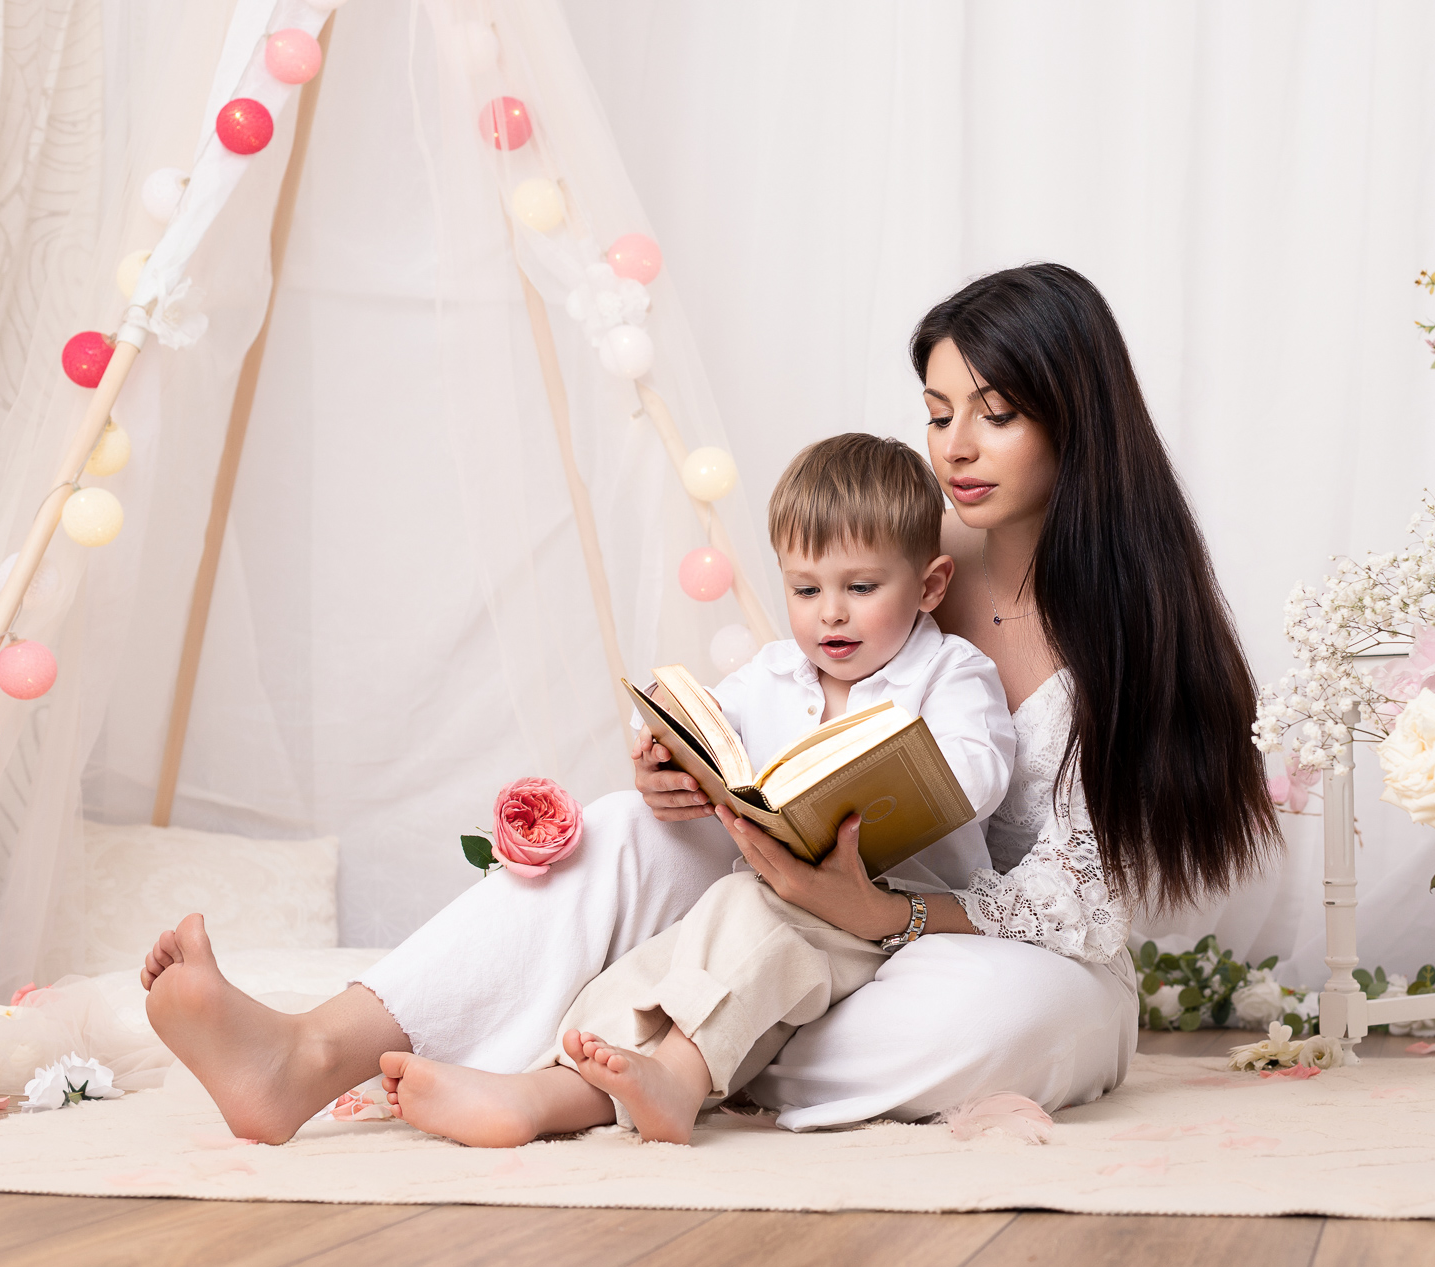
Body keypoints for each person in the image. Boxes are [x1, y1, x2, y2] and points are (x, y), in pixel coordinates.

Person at [140, 262, 1278, 1144]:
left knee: (995, 1019)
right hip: (803, 899)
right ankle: (307, 1052)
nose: (957, 446)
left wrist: (891, 918)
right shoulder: (902, 564)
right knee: (630, 830)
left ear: (1078, 414)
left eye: (995, 411)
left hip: (989, 949)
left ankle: (594, 1076)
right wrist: (685, 775)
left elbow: (1083, 908)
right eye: (938, 412)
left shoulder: (1140, 629)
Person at [371, 433, 1016, 1145]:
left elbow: (979, 773)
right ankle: (540, 1095)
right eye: (805, 589)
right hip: (776, 892)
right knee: (667, 959)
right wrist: (665, 753)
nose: (829, 613)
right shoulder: (773, 673)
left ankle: (675, 1080)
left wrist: (887, 767)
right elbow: (709, 723)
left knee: (749, 916)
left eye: (860, 588)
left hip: (882, 915)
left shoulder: (952, 673)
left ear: (929, 586)